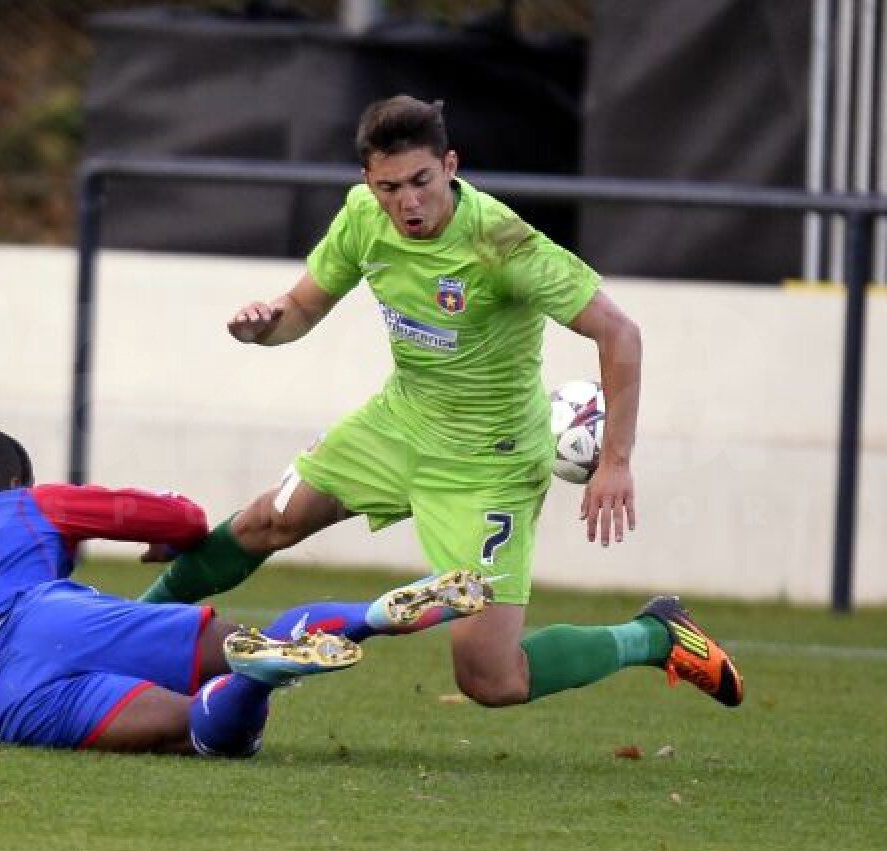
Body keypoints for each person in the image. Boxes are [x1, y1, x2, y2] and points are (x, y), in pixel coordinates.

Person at [140, 95, 743, 709]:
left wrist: (615, 462)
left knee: (491, 680)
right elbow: (299, 309)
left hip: (490, 466)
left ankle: (652, 635)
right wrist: (264, 326)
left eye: (422, 181)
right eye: (390, 186)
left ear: (450, 166)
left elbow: (621, 332)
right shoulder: (361, 218)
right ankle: (119, 630)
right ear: (368, 182)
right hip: (400, 424)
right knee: (267, 521)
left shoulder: (502, 242)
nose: (407, 201)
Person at [0, 429, 492, 756]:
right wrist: (174, 537)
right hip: (61, 615)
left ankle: (254, 684)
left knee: (191, 733)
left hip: (6, 690)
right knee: (253, 640)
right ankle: (368, 615)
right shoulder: (32, 503)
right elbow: (176, 515)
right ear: (19, 478)